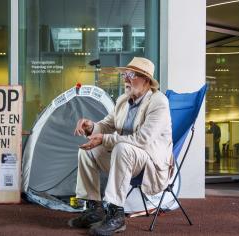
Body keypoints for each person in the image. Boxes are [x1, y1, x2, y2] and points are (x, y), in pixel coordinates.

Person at [69, 57, 173, 235]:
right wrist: (91, 126)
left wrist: (104, 139)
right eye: (125, 74)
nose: (125, 78)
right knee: (88, 150)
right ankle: (94, 209)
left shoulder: (159, 102)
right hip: (125, 161)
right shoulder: (123, 101)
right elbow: (106, 125)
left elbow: (142, 140)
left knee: (122, 148)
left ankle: (116, 216)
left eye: (131, 75)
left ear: (146, 80)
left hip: (150, 164)